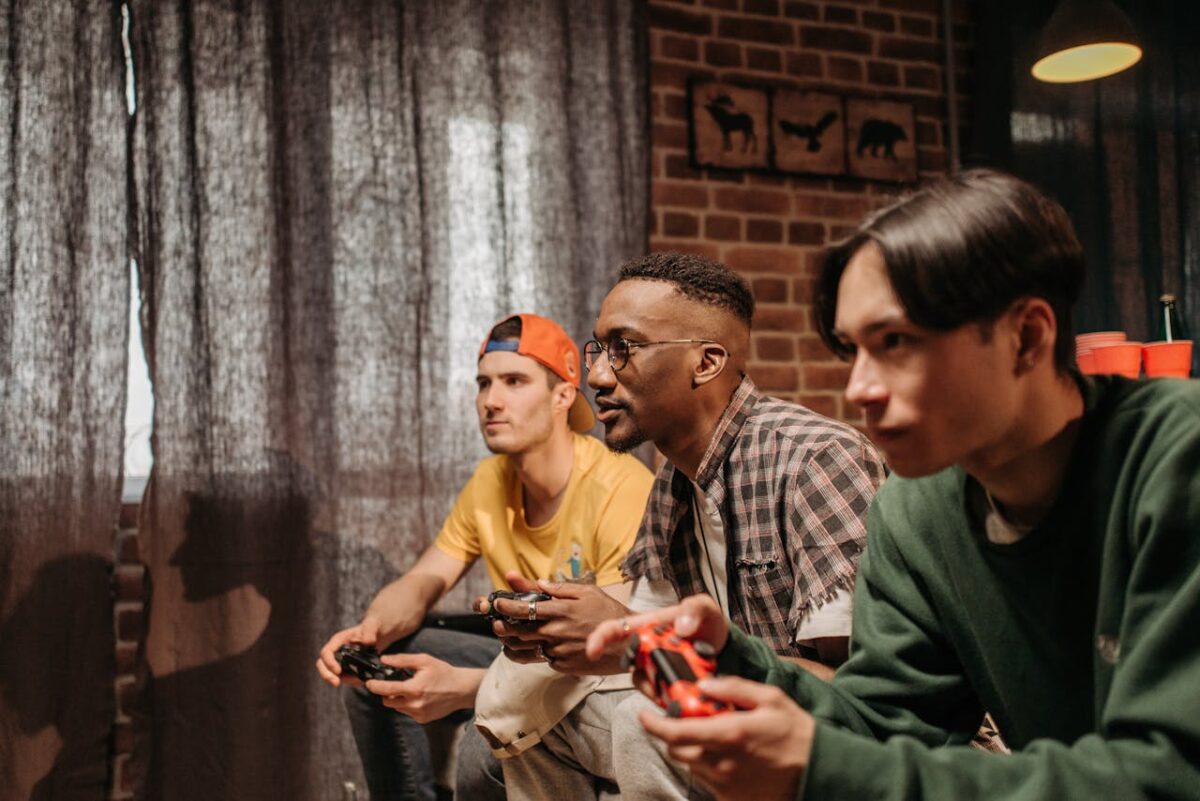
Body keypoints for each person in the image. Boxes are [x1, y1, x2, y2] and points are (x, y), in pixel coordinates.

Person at [587, 169, 1200, 800]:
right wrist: (733, 660)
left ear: (1028, 336)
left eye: (898, 342)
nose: (859, 389)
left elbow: (1170, 776)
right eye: (854, 350)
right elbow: (886, 725)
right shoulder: (916, 507)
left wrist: (826, 769)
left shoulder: (1177, 457)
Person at [495, 253, 886, 801]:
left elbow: (863, 698)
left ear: (705, 363)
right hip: (745, 724)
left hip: (857, 753)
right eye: (599, 349)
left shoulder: (813, 457)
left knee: (641, 721)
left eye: (624, 350)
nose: (598, 377)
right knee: (526, 715)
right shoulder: (672, 485)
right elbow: (652, 623)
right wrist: (561, 625)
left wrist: (632, 639)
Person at [316, 313, 654, 801]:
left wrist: (470, 687)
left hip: (596, 668)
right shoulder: (490, 480)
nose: (490, 401)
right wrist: (370, 631)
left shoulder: (619, 487)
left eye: (514, 381)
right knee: (378, 662)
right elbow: (425, 579)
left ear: (563, 397)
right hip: (519, 650)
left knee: (486, 743)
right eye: (484, 383)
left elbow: (608, 653)